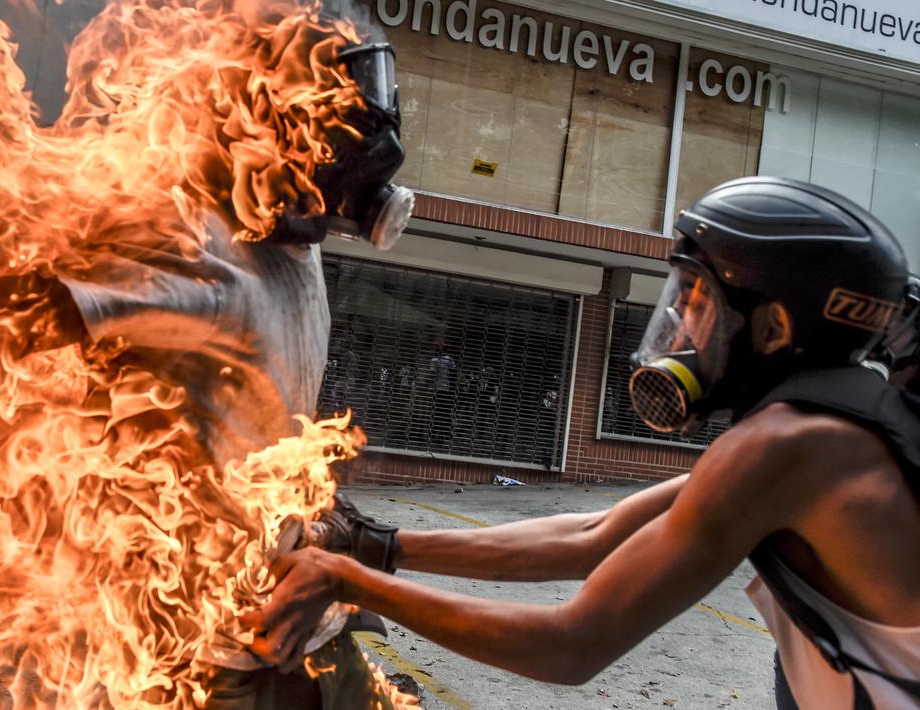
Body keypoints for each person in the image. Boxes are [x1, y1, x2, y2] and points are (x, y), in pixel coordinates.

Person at [253, 177, 920, 709]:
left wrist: (349, 581)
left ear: (771, 328)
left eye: (696, 301)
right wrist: (375, 545)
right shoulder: (839, 431)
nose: (677, 325)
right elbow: (595, 535)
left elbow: (571, 645)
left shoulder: (788, 444)